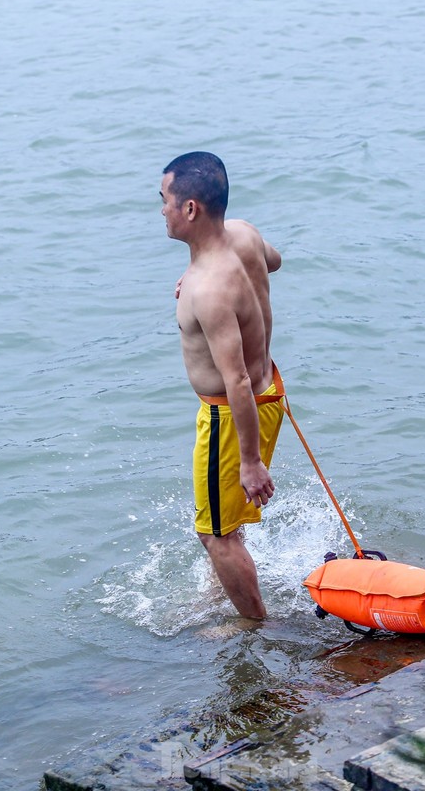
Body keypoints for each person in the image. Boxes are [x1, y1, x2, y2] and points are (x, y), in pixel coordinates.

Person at [160, 151, 284, 620]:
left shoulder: (207, 289)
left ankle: (253, 627)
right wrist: (207, 272)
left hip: (232, 414)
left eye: (165, 199)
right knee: (225, 523)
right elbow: (273, 263)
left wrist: (249, 462)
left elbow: (233, 378)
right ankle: (224, 590)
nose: (162, 210)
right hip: (269, 393)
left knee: (214, 535)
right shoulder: (246, 235)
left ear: (190, 209)